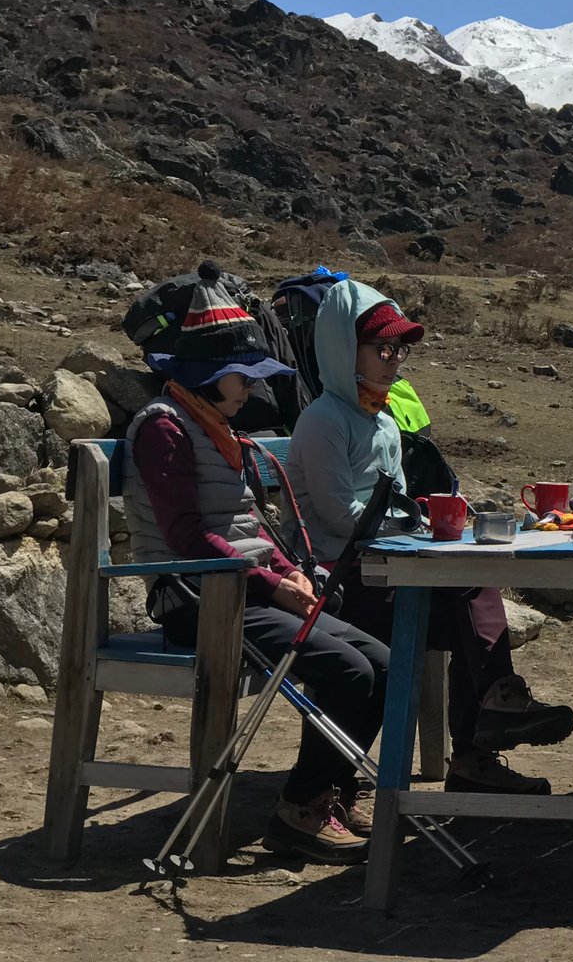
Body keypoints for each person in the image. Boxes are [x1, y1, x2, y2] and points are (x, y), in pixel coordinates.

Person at [122, 264, 388, 864]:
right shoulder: (164, 429)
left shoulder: (217, 427)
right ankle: (300, 810)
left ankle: (329, 793)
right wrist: (273, 583)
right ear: (207, 375)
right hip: (198, 600)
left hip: (245, 591)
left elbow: (249, 524)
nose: (250, 389)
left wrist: (290, 570)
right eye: (241, 376)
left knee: (383, 663)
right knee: (349, 671)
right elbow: (188, 539)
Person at [287, 279, 573, 796]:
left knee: (470, 583)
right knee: (466, 598)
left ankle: (488, 723)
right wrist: (412, 526)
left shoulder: (382, 422)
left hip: (387, 569)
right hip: (342, 579)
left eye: (399, 350)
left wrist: (425, 525)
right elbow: (339, 516)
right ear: (344, 350)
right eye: (382, 349)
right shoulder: (324, 420)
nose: (394, 361)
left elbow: (395, 504)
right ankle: (486, 731)